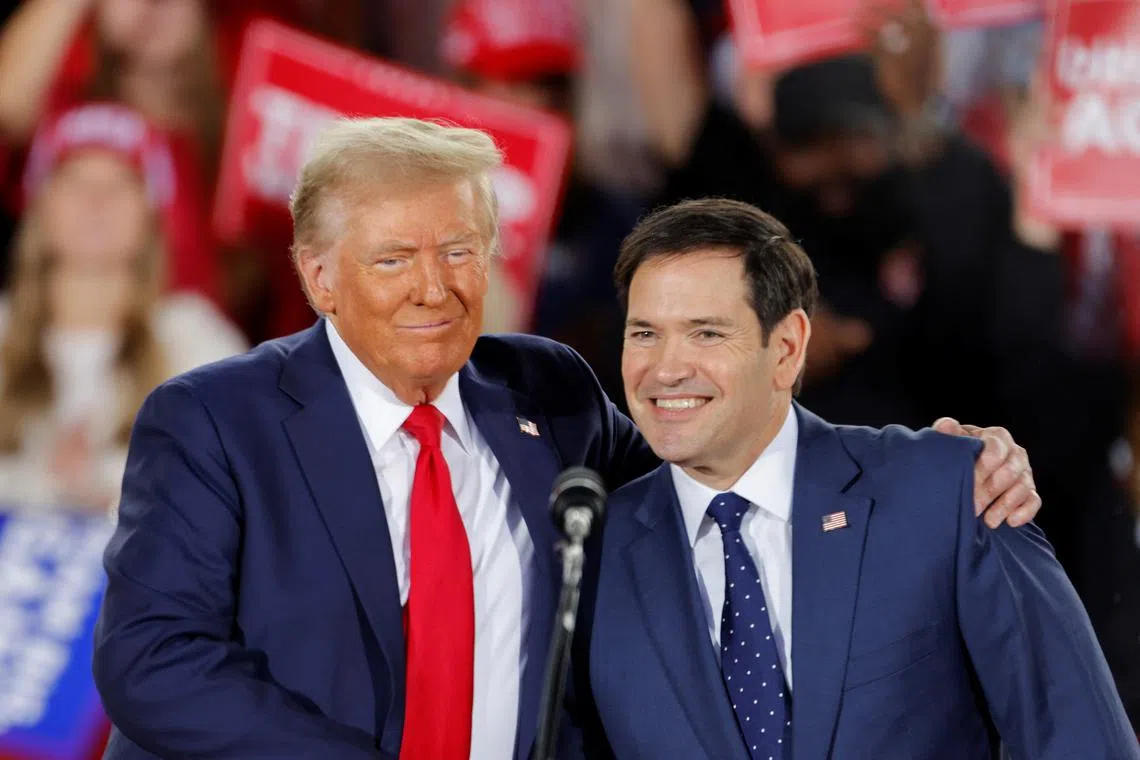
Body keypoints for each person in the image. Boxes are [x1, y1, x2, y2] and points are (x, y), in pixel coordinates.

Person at [93, 117, 1040, 760]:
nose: (436, 287)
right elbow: (153, 663)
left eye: (460, 250)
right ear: (317, 276)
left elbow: (719, 461)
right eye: (392, 260)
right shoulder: (214, 420)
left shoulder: (544, 387)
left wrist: (920, 460)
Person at [572, 198, 1139, 759]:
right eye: (644, 333)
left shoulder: (950, 491)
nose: (666, 369)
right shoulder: (589, 555)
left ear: (788, 347)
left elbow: (1081, 739)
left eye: (707, 334)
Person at [0, 101, 245, 513]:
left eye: (121, 184)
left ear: (151, 212)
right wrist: (51, 485)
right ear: (39, 205)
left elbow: (233, 483)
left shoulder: (196, 338)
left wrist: (100, 489)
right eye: (74, 180)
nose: (96, 202)